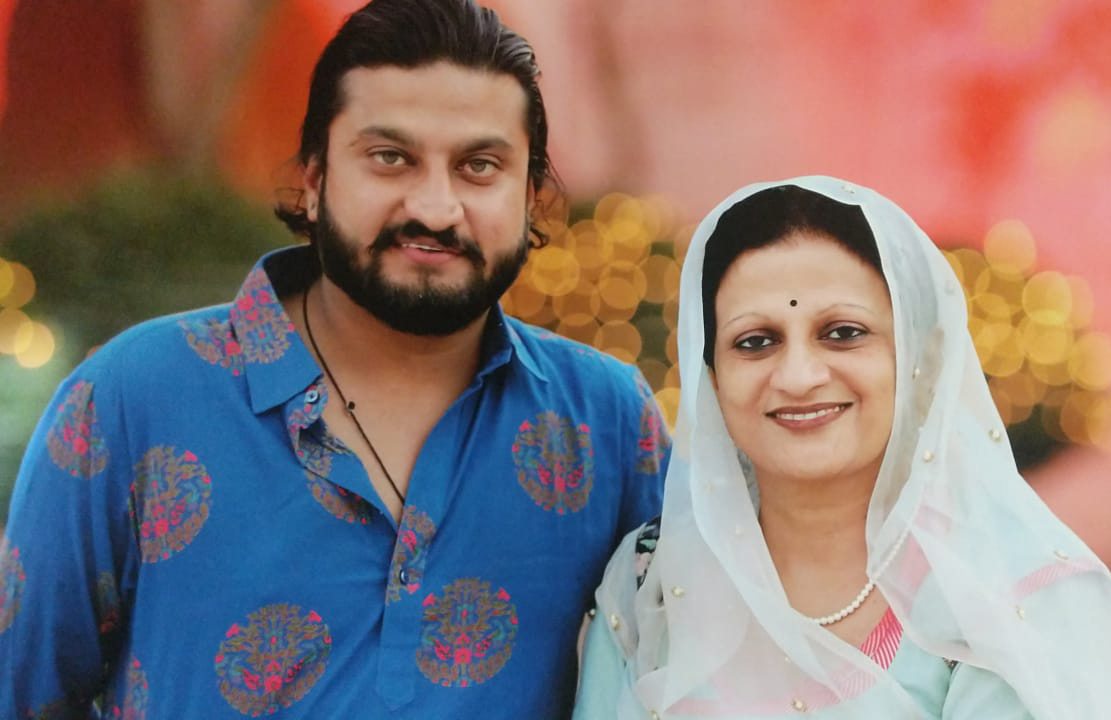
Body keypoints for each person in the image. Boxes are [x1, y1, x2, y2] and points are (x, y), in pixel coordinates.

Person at [0, 1, 668, 717]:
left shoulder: (602, 420)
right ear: (315, 180)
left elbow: (694, 670)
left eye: (479, 167)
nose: (435, 208)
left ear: (531, 197)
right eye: (390, 158)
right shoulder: (134, 398)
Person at [572, 176, 1111, 719]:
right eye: (755, 341)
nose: (798, 376)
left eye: (843, 333)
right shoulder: (652, 583)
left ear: (916, 358)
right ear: (712, 379)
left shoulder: (1012, 596)